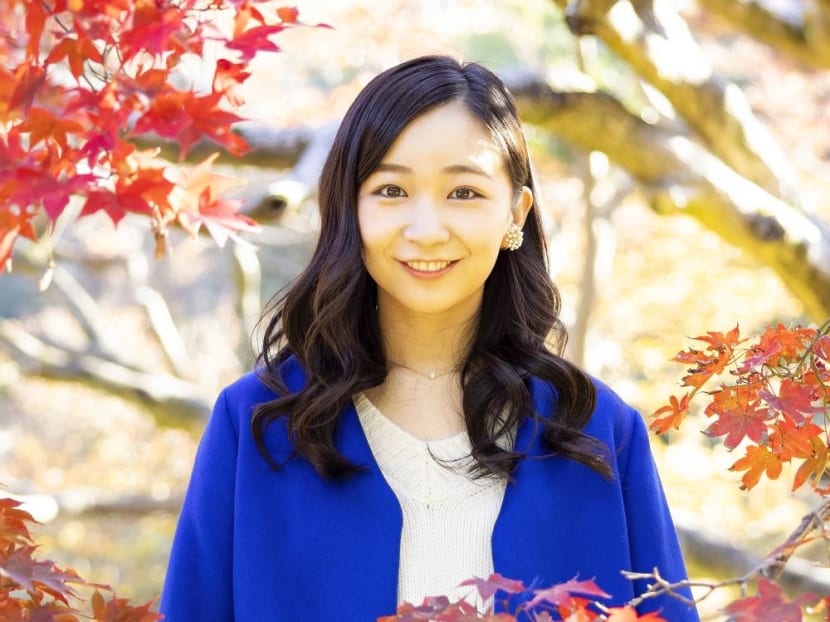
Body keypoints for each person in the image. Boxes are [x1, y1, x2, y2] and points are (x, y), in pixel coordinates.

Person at [160, 55, 700, 621]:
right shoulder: (258, 425)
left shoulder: (596, 432)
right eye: (391, 190)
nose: (426, 229)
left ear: (515, 212)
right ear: (350, 207)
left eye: (463, 193)